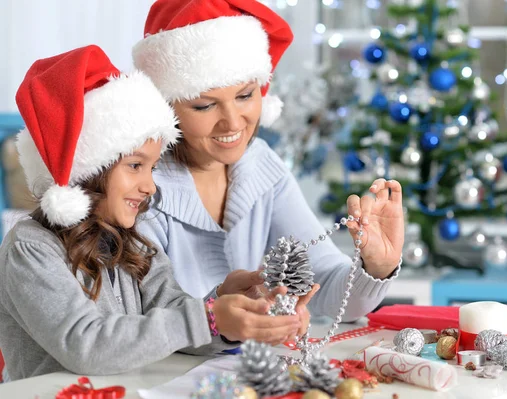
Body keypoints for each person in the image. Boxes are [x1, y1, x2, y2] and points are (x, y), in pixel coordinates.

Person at [0, 45, 306, 382]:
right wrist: (208, 318)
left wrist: (224, 307)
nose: (150, 186)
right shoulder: (29, 249)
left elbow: (173, 319)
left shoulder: (132, 243)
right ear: (86, 170)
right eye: (135, 166)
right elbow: (85, 345)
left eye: (152, 168)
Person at [132, 0, 405, 321]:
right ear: (166, 110)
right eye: (205, 106)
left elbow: (326, 286)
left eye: (245, 95)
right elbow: (145, 319)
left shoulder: (260, 164)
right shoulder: (141, 188)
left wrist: (377, 266)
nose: (233, 123)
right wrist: (219, 310)